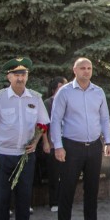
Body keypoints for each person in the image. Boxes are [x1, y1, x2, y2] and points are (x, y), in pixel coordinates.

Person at [0, 58, 49, 220]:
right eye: (16, 74)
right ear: (8, 76)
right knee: (1, 200)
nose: (20, 78)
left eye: (23, 74)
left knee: (23, 200)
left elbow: (43, 124)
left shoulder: (35, 98)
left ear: (27, 76)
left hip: (25, 157)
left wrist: (37, 142)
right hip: (2, 156)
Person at [51, 57, 110, 220]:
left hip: (94, 146)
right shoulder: (65, 92)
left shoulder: (98, 91)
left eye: (89, 68)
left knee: (92, 189)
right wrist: (58, 146)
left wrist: (108, 141)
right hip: (71, 147)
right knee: (67, 190)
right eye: (82, 68)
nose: (86, 71)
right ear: (74, 70)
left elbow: (104, 118)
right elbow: (55, 120)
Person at [42, 77, 67, 212]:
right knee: (54, 174)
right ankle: (54, 202)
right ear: (53, 89)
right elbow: (43, 125)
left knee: (66, 174)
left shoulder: (69, 100)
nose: (63, 88)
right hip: (53, 144)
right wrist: (45, 142)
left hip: (68, 143)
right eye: (60, 86)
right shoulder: (48, 102)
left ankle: (64, 200)